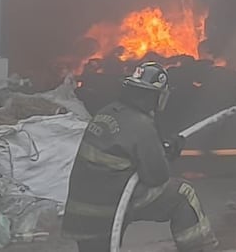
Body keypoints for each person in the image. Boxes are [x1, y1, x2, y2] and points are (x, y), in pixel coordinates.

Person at [63, 62, 217, 252]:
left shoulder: (107, 112)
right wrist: (167, 154)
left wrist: (160, 150)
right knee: (184, 193)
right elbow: (156, 177)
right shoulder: (141, 125)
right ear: (155, 95)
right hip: (111, 205)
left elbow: (124, 153)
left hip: (82, 206)